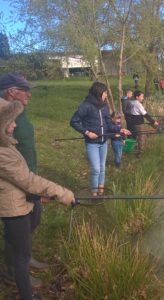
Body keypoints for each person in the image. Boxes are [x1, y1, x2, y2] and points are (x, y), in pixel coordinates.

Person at [0, 100, 75, 300]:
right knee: (22, 257)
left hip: (18, 202)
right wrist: (62, 193)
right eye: (11, 121)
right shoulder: (2, 152)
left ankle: (9, 273)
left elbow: (18, 180)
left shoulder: (5, 143)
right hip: (13, 210)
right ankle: (27, 296)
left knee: (17, 249)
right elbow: (27, 179)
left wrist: (36, 195)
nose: (15, 125)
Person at [0, 73, 50, 286]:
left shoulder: (21, 113)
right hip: (14, 180)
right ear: (12, 91)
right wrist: (28, 183)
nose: (29, 94)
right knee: (17, 228)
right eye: (25, 90)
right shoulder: (4, 115)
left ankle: (24, 257)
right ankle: (13, 269)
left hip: (29, 175)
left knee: (34, 218)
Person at [70, 82, 131, 196]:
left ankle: (101, 191)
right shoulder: (86, 106)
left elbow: (108, 123)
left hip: (104, 142)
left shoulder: (104, 106)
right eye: (105, 93)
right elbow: (74, 121)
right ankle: (94, 193)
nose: (106, 95)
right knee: (96, 169)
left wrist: (119, 130)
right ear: (99, 93)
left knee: (102, 168)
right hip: (92, 143)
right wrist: (87, 132)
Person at [126, 90, 159, 154]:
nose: (143, 98)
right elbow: (145, 115)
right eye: (142, 96)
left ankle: (129, 152)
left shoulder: (131, 102)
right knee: (141, 139)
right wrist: (153, 122)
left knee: (132, 137)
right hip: (138, 124)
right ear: (137, 97)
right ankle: (139, 153)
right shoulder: (138, 104)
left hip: (131, 124)